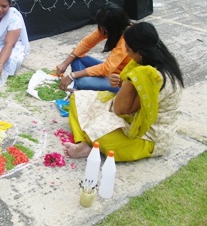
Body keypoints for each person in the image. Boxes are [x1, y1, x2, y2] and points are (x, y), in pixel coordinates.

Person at [63, 22, 184, 162]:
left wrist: (128, 82)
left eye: (128, 50)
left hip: (147, 137)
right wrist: (122, 82)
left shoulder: (152, 76)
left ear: (140, 52)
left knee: (101, 133)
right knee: (78, 98)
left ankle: (90, 142)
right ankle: (86, 143)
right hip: (129, 114)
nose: (126, 53)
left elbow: (120, 109)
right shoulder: (150, 59)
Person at [57, 2, 133, 93]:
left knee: (83, 82)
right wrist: (65, 63)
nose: (101, 30)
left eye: (103, 28)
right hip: (112, 71)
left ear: (112, 27)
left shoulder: (127, 38)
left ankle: (81, 88)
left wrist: (72, 75)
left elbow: (106, 69)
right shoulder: (112, 29)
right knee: (76, 58)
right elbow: (87, 43)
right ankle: (83, 86)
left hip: (120, 81)